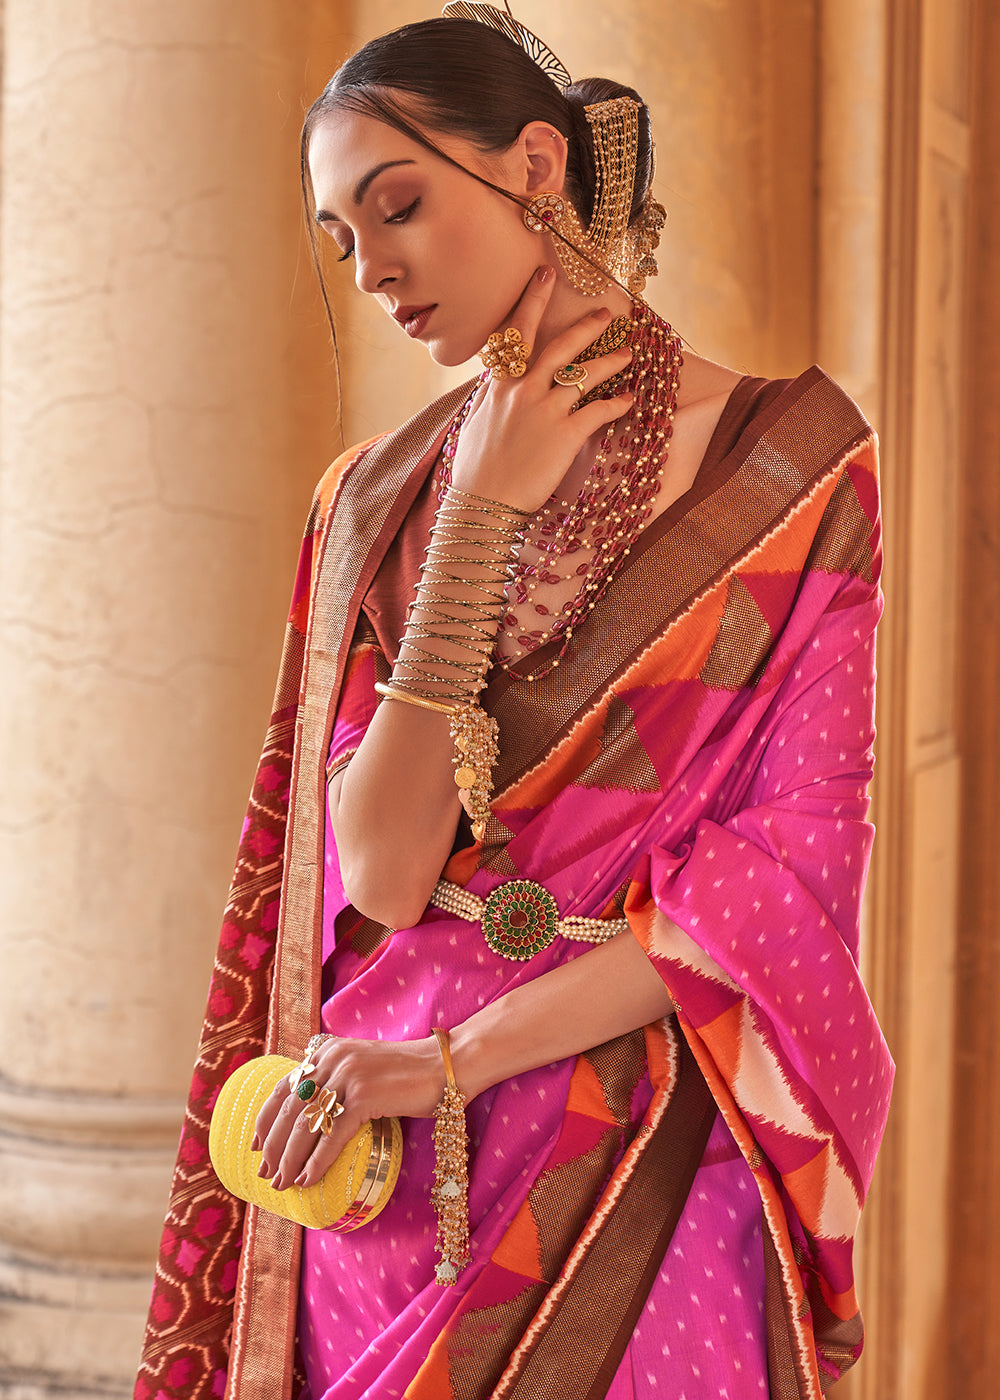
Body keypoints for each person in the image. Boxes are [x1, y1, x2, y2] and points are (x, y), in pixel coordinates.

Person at [135, 7, 893, 1399]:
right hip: (378, 1178)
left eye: (398, 206)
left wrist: (454, 1062)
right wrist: (478, 521)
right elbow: (382, 871)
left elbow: (783, 884)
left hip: (645, 1157)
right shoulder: (377, 502)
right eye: (341, 239)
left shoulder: (797, 480)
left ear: (537, 166)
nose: (372, 269)